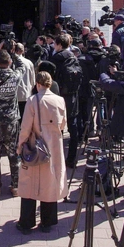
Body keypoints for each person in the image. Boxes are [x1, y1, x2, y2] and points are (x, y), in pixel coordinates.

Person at [15, 71, 67, 234]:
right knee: (50, 183)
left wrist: (20, 144)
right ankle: (47, 221)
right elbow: (63, 125)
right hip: (54, 147)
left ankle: (27, 222)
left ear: (37, 84)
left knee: (29, 183)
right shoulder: (60, 100)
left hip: (35, 145)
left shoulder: (33, 100)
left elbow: (25, 127)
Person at [0, 50, 23, 198]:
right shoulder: (15, 76)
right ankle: (16, 186)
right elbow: (21, 66)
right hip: (11, 120)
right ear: (9, 63)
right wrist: (14, 53)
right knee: (13, 153)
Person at [51, 34, 83, 168]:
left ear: (59, 44)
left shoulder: (56, 58)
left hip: (59, 97)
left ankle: (56, 159)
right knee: (73, 128)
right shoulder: (73, 57)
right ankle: (72, 158)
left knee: (57, 129)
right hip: (73, 97)